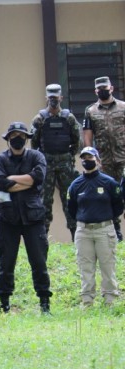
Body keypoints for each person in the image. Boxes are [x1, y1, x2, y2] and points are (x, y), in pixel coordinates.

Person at [0, 122, 52, 314]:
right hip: (8, 218)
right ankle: (4, 304)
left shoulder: (36, 156)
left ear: (26, 138)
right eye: (13, 135)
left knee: (39, 261)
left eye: (21, 135)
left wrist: (13, 179)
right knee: (6, 262)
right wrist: (28, 180)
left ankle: (44, 303)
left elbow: (39, 177)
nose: (17, 138)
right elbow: (0, 183)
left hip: (33, 217)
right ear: (8, 138)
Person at [67, 147, 123, 307]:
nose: (87, 161)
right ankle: (87, 302)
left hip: (104, 230)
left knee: (107, 266)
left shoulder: (109, 183)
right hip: (83, 231)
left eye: (91, 157)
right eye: (84, 158)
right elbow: (71, 208)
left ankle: (110, 301)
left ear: (98, 161)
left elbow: (118, 206)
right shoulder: (75, 185)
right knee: (86, 267)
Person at [31, 83, 80, 239]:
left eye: (56, 97)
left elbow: (76, 140)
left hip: (65, 162)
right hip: (47, 163)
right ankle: (43, 237)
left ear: (61, 97)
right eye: (50, 97)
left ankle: (75, 235)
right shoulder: (39, 119)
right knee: (45, 200)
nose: (53, 100)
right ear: (46, 98)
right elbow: (34, 143)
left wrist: (69, 156)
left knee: (69, 198)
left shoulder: (69, 118)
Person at [83, 76, 125, 241]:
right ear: (95, 91)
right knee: (108, 196)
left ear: (111, 88)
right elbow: (87, 136)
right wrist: (90, 157)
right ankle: (116, 232)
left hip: (123, 158)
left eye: (105, 88)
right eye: (99, 89)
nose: (102, 91)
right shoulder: (91, 111)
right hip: (104, 161)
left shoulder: (123, 107)